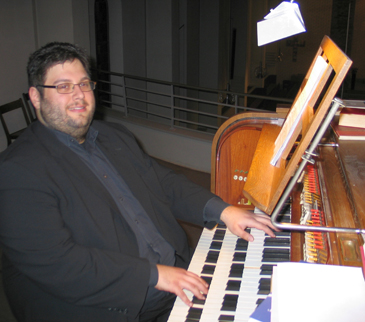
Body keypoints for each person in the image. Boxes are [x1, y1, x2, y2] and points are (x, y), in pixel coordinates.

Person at [0, 42, 277, 322]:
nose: (79, 95)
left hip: (177, 276)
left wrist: (223, 211)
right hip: (115, 306)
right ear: (35, 97)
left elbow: (163, 183)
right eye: (63, 86)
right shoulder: (17, 172)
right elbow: (58, 264)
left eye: (84, 84)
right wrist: (154, 274)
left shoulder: (113, 135)